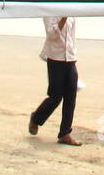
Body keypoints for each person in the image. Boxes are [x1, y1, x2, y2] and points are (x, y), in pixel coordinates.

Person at [28, 16, 82, 145]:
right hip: (55, 58)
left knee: (70, 97)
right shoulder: (50, 13)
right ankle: (36, 118)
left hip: (70, 58)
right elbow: (52, 36)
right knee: (55, 97)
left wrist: (73, 53)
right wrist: (63, 18)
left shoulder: (71, 13)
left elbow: (72, 36)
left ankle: (65, 133)